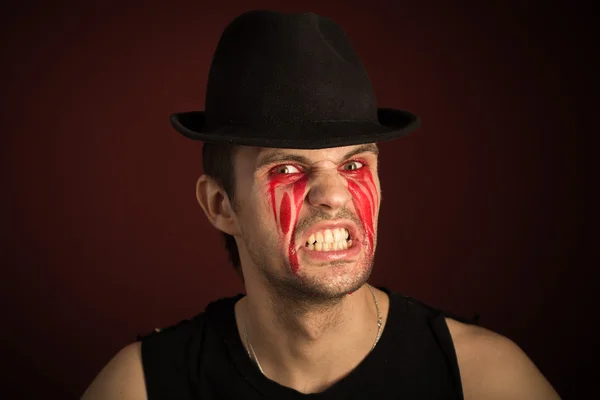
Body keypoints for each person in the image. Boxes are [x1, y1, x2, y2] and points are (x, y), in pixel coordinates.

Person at [81, 10, 560, 400]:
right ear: (221, 205)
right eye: (287, 168)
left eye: (353, 166)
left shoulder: (484, 381)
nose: (333, 194)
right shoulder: (140, 387)